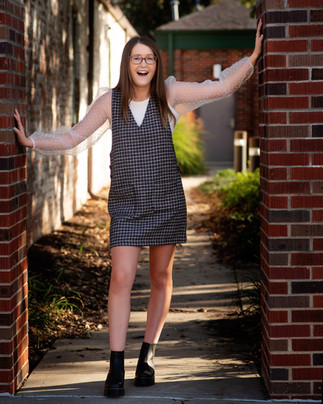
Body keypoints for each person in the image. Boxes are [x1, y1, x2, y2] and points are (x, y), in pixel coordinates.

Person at [14, 20, 263, 399]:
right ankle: (116, 364)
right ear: (127, 64)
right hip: (127, 207)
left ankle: (147, 355)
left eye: (149, 58)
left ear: (156, 63)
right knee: (121, 277)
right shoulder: (110, 102)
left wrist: (253, 57)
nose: (143, 64)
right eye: (136, 58)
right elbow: (73, 136)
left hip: (166, 203)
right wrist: (31, 141)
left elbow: (222, 87)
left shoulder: (171, 93)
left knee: (161, 278)